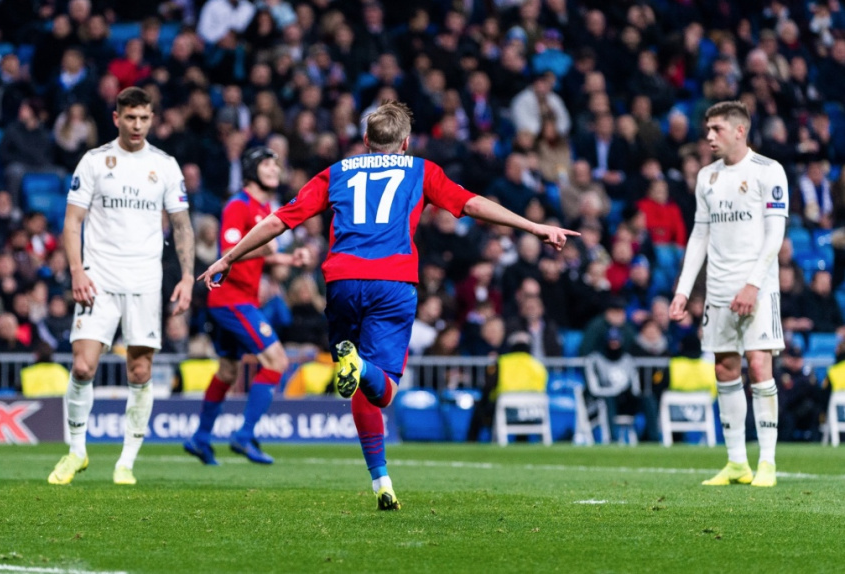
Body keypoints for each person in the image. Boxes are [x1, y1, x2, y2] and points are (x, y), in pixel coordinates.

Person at [199, 100, 578, 510]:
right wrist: (534, 225)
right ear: (406, 142)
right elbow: (472, 204)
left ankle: (381, 480)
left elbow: (279, 221)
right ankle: (358, 366)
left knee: (360, 381)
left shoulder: (337, 172)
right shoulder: (420, 169)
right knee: (382, 388)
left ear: (365, 140)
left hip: (342, 281)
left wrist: (228, 256)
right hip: (392, 283)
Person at [47, 87, 195, 486]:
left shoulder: (164, 165)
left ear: (151, 118)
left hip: (146, 280)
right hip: (100, 276)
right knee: (82, 365)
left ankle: (126, 462)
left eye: (144, 118)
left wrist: (185, 277)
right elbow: (72, 221)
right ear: (117, 118)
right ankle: (76, 451)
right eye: (130, 118)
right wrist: (76, 271)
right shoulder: (95, 161)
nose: (137, 125)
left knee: (140, 369)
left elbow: (181, 225)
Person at [670, 101, 788, 488]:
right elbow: (700, 235)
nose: (708, 137)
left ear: (740, 131)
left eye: (716, 129)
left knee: (759, 366)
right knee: (724, 368)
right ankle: (737, 462)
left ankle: (767, 462)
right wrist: (684, 290)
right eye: (707, 129)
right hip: (718, 290)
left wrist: (753, 284)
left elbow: (775, 235)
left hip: (758, 287)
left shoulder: (768, 172)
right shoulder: (706, 177)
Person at [183, 146, 310, 466]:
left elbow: (253, 252)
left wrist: (283, 257)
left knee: (227, 371)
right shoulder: (238, 205)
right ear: (252, 169)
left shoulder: (264, 207)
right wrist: (271, 249)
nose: (274, 169)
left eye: (276, 165)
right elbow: (229, 251)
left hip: (240, 299)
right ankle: (244, 435)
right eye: (267, 164)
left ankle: (200, 438)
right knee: (277, 361)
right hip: (232, 300)